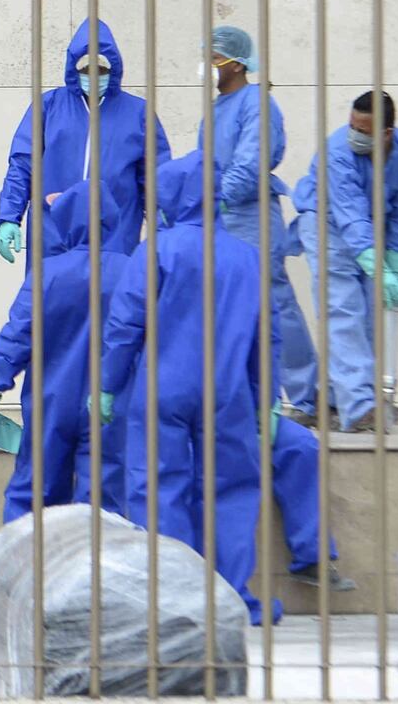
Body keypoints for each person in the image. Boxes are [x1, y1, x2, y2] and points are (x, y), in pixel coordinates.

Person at [95, 151, 353, 627]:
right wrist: (266, 398)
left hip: (162, 388)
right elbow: (267, 334)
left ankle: (170, 601)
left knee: (158, 488)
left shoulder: (157, 250)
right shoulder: (245, 257)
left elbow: (125, 324)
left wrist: (107, 385)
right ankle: (230, 599)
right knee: (231, 492)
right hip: (227, 391)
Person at [0, 180, 129, 522]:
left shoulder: (49, 273)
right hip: (108, 404)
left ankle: (27, 571)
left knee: (32, 496)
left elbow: (19, 332)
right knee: (102, 508)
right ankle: (96, 573)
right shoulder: (131, 272)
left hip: (51, 401)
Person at [195, 25, 318, 427]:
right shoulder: (214, 110)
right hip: (219, 215)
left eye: (214, 58)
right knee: (225, 307)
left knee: (273, 302)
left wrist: (217, 196)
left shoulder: (258, 104)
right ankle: (244, 398)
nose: (209, 65)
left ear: (237, 63)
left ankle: (307, 397)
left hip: (250, 214)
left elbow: (250, 163)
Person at [292, 91, 398, 432]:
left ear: (386, 133)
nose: (353, 133)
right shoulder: (338, 151)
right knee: (342, 309)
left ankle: (335, 399)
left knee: (368, 317)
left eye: (362, 129)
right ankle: (361, 407)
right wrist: (375, 264)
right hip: (327, 222)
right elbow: (349, 215)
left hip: (370, 228)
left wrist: (394, 267)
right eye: (351, 124)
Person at [0, 18, 171, 266]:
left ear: (114, 68)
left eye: (102, 68)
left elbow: (156, 176)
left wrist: (165, 224)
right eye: (86, 68)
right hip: (52, 232)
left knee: (110, 300)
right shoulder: (49, 106)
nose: (94, 75)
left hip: (116, 235)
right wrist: (9, 217)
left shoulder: (138, 113)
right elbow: (23, 164)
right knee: (51, 299)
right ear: (74, 68)